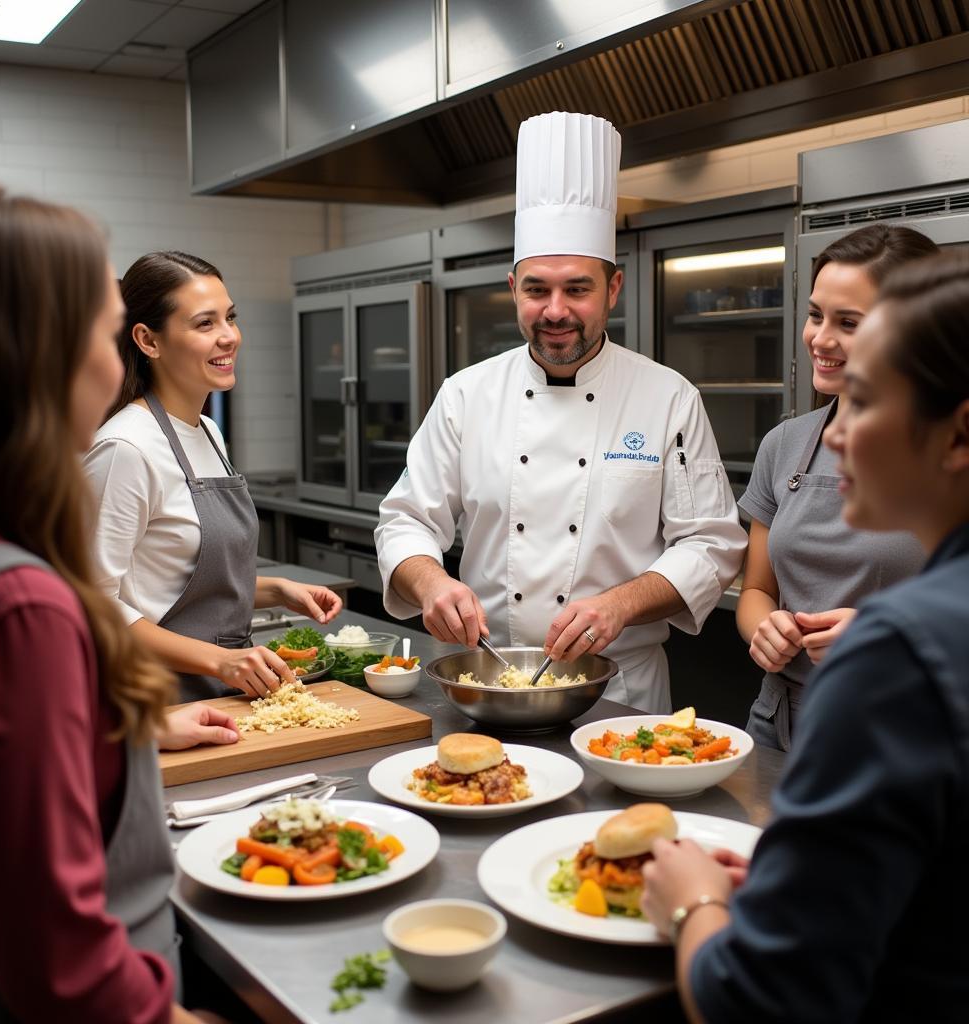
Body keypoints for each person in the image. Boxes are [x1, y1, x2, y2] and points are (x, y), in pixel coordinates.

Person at [641, 251, 969, 1021]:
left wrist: (693, 905)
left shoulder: (898, 656)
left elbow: (762, 1000)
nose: (837, 436)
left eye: (863, 401)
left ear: (957, 436)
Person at [0, 183, 220, 1021]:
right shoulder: (19, 608)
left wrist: (112, 726)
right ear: (33, 356)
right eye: (105, 336)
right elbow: (60, 964)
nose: (116, 369)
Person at [375, 112, 746, 713]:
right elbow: (405, 522)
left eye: (577, 288)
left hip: (619, 689)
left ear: (614, 289)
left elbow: (710, 542)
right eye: (536, 289)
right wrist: (432, 582)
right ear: (513, 287)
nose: (555, 311)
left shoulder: (667, 396)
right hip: (488, 676)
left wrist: (620, 605)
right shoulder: (467, 394)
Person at [84, 252, 341, 703]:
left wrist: (276, 590)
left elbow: (168, 582)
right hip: (155, 702)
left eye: (231, 317)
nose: (229, 337)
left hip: (221, 693)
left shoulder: (209, 432)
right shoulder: (126, 448)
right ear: (148, 340)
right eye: (205, 324)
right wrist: (218, 660)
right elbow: (91, 605)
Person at [736, 223, 938, 749]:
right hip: (782, 720)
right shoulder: (785, 443)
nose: (821, 339)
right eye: (815, 315)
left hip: (904, 729)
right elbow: (756, 590)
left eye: (848, 322)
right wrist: (764, 629)